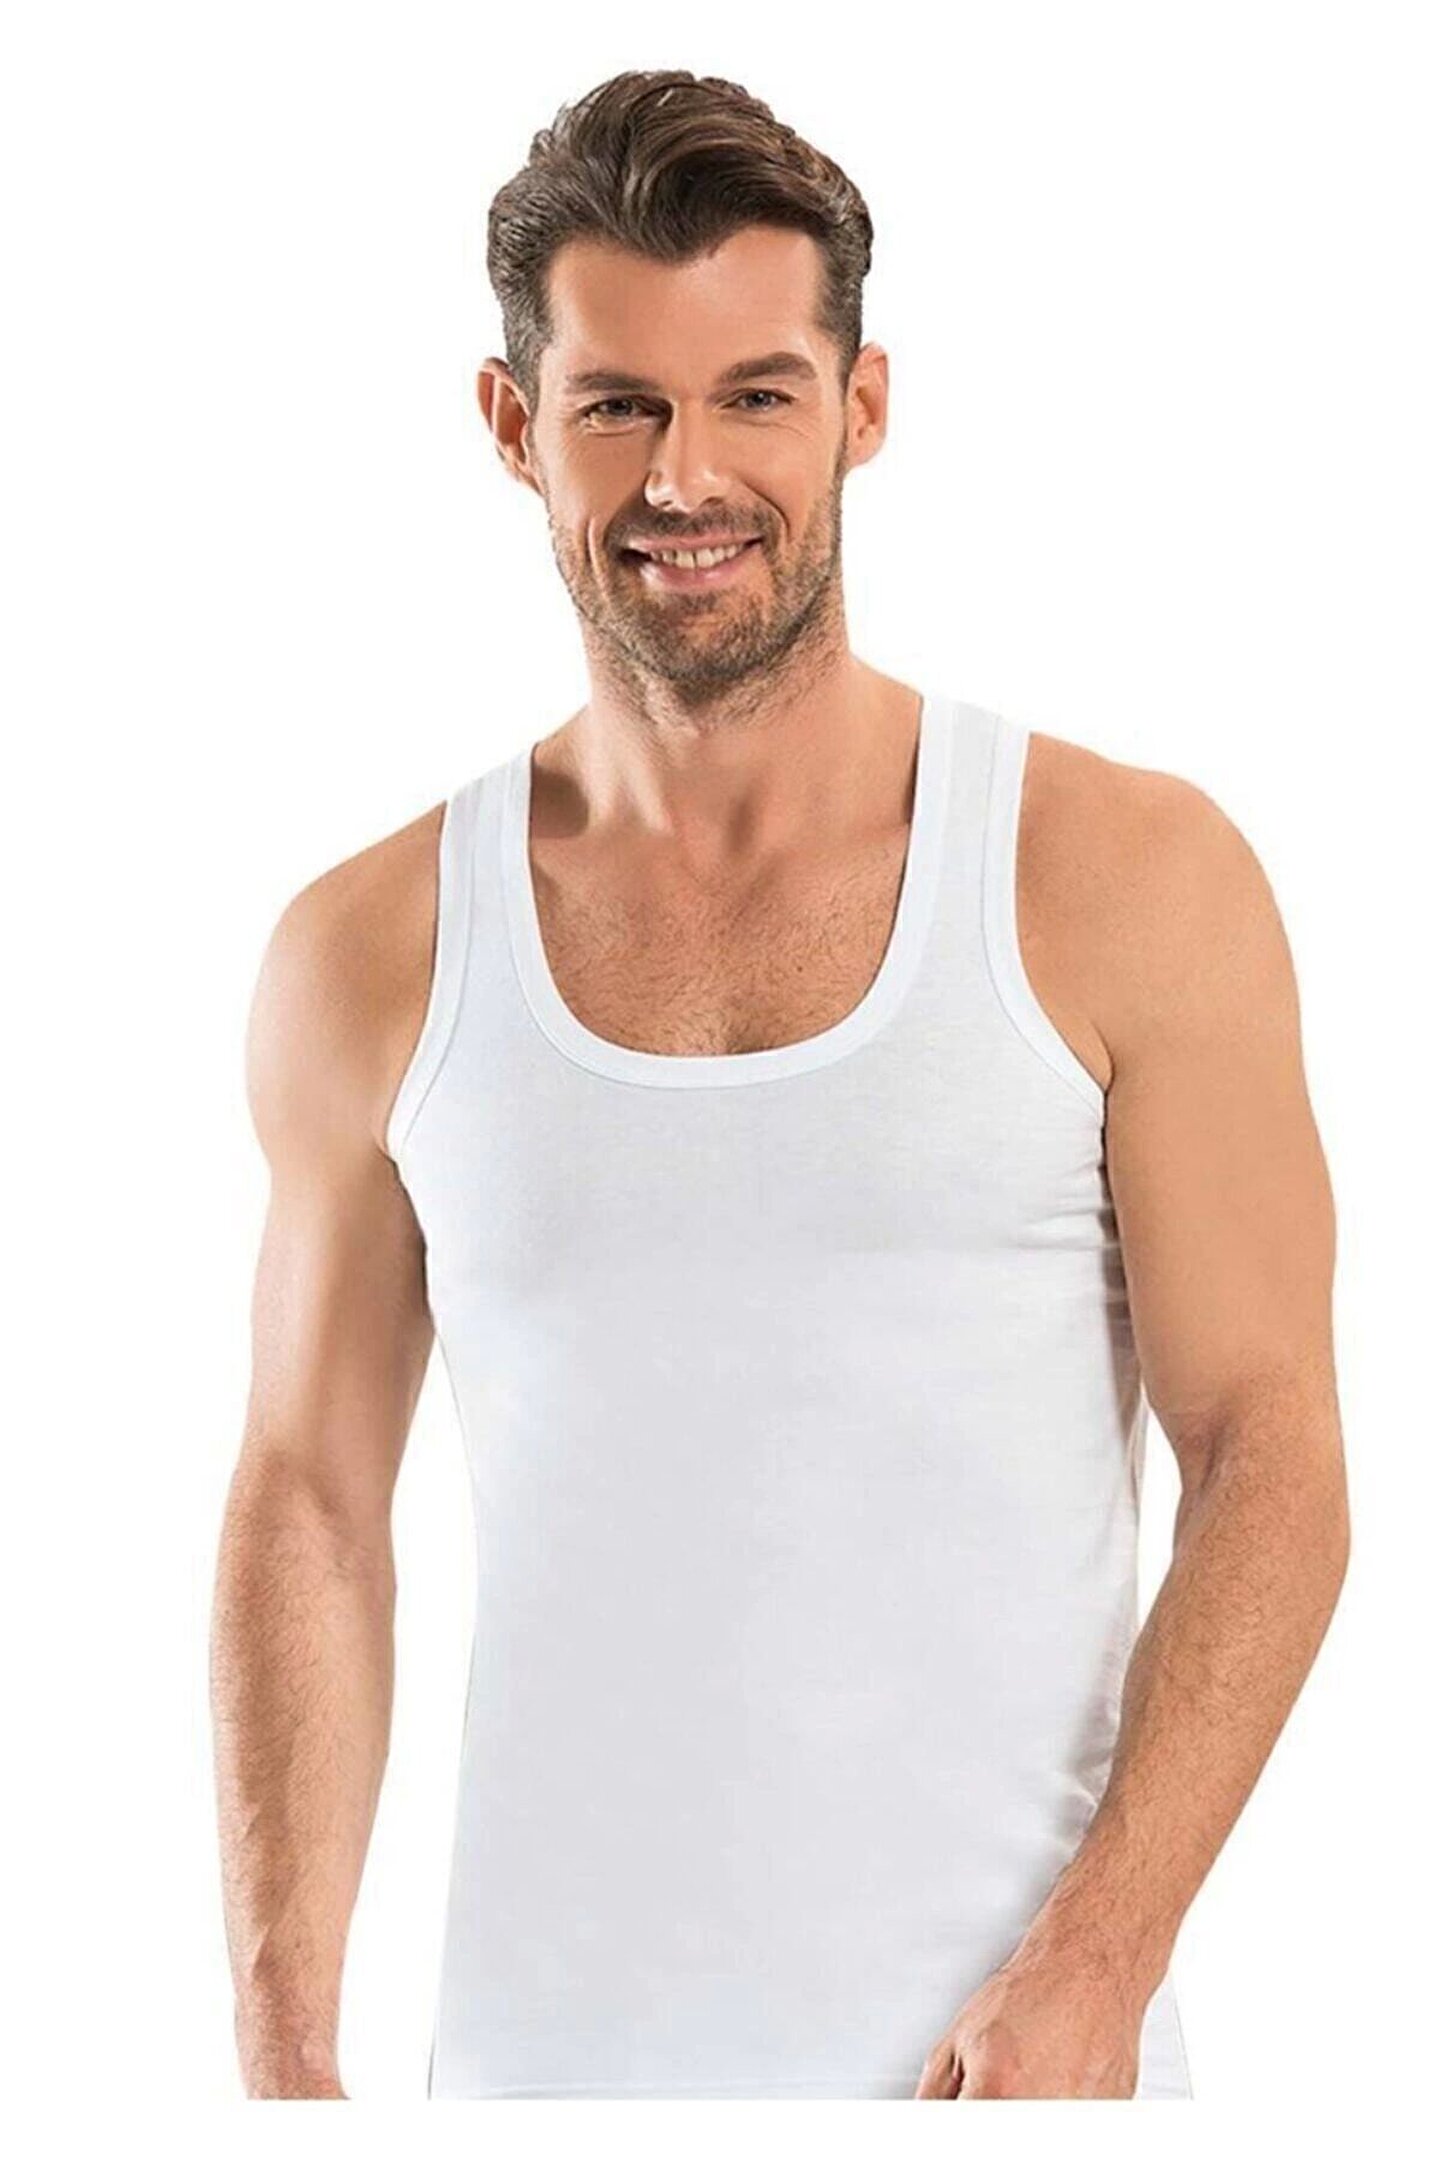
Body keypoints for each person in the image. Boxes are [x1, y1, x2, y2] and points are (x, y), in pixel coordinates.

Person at [209, 68, 1349, 2101]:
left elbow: (1270, 1449)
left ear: (862, 407)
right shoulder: (369, 953)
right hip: (537, 2090)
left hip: (1012, 2086)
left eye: (757, 396)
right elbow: (308, 1503)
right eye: (617, 406)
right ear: (513, 427)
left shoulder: (1123, 880)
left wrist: (1103, 1960)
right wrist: (283, 2069)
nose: (688, 477)